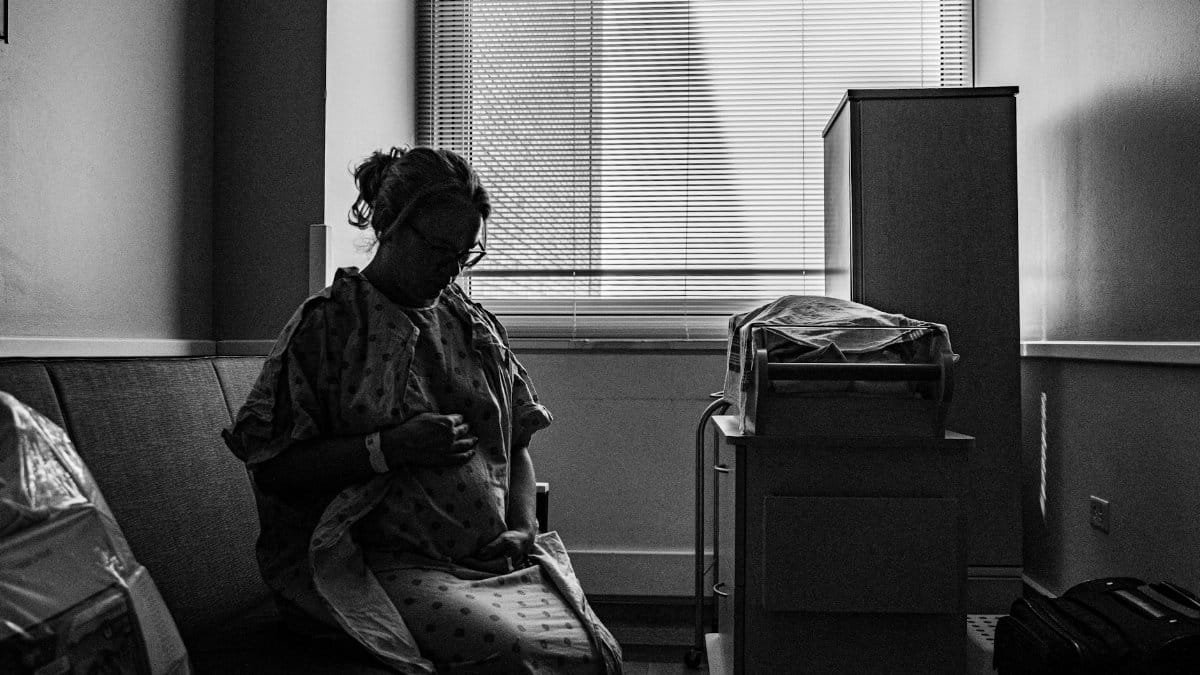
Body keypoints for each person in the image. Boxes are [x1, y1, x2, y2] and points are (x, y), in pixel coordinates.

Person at [223, 147, 622, 674]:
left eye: (464, 254)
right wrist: (387, 448)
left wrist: (522, 528)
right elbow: (274, 469)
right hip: (380, 567)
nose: (451, 269)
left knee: (595, 653)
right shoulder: (330, 325)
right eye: (437, 248)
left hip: (491, 560)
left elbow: (517, 445)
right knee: (531, 657)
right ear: (387, 223)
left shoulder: (475, 327)